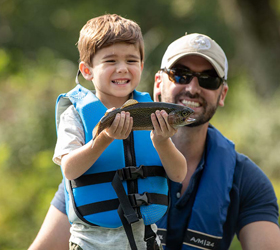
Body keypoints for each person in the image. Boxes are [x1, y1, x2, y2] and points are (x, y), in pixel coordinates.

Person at [28, 33, 280, 250]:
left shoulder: (247, 180)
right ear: (158, 83)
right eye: (180, 75)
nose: (192, 88)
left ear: (222, 93)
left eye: (208, 79)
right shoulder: (99, 161)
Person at [48, 13, 188, 250]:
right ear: (87, 70)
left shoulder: (153, 110)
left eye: (131, 61)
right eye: (111, 61)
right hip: (90, 243)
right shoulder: (73, 114)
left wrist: (163, 142)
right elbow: (69, 170)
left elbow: (178, 175)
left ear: (141, 66)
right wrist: (103, 139)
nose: (122, 68)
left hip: (147, 242)